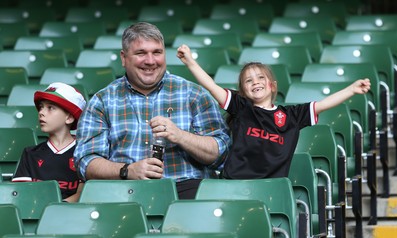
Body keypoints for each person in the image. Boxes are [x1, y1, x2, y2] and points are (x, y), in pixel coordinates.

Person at [73, 22, 230, 199]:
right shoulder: (102, 101)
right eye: (141, 53)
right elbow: (85, 162)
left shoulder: (194, 94)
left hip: (186, 189)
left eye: (157, 52)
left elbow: (221, 153)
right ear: (124, 58)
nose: (150, 61)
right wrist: (127, 171)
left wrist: (180, 136)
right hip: (125, 191)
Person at [177, 44, 371, 179]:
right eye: (249, 80)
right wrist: (191, 62)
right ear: (243, 90)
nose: (255, 83)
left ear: (272, 85)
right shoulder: (241, 107)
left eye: (260, 77)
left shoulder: (292, 115)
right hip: (235, 182)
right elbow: (211, 86)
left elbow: (323, 104)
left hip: (272, 186)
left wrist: (351, 90)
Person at [12, 82, 87, 202]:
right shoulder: (30, 153)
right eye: (41, 107)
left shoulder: (84, 152)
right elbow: (21, 195)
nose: (41, 112)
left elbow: (84, 195)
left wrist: (55, 210)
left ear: (69, 117)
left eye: (50, 108)